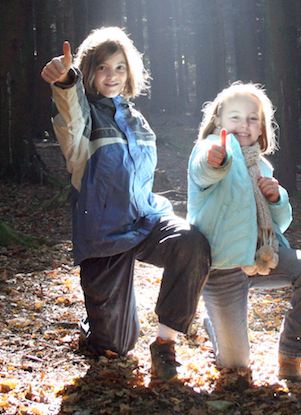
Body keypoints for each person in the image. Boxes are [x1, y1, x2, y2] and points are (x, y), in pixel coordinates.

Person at [41, 26, 211, 381]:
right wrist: (65, 82)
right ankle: (94, 322)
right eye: (103, 67)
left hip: (146, 220)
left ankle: (165, 344)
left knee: (191, 242)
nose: (112, 75)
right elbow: (71, 116)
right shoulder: (83, 116)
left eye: (120, 67)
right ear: (89, 72)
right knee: (115, 346)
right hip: (104, 234)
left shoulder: (136, 119)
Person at [187, 82, 301, 383]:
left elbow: (280, 223)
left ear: (262, 127)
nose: (243, 125)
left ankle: (293, 352)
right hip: (222, 266)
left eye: (252, 118)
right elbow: (203, 170)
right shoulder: (209, 149)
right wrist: (217, 161)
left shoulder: (261, 164)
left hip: (262, 256)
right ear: (219, 121)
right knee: (236, 364)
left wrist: (277, 198)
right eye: (235, 117)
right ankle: (213, 323)